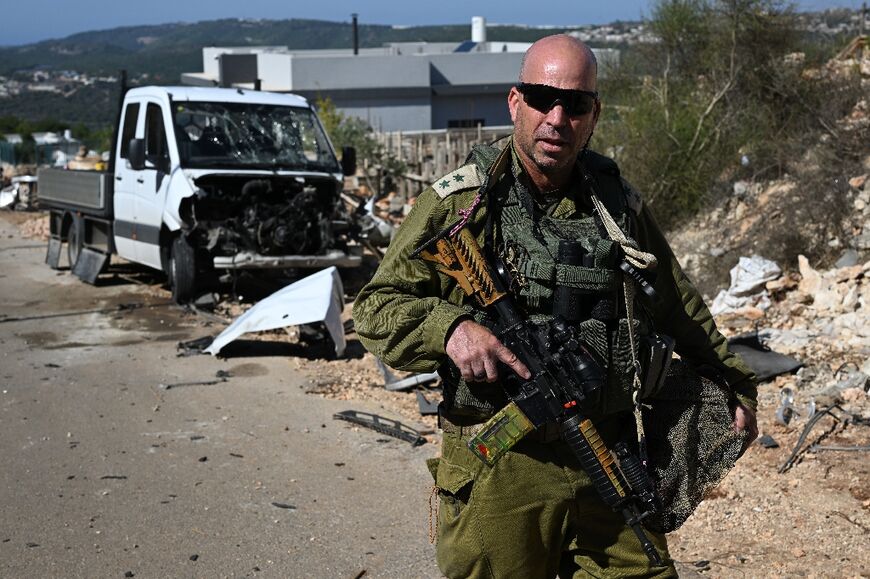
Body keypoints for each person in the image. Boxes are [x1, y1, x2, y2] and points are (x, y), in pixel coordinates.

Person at [353, 35, 758, 578]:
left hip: (607, 449)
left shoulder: (615, 202)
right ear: (515, 101)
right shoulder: (463, 202)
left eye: (576, 104)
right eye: (543, 98)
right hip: (503, 466)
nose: (557, 117)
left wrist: (731, 382)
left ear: (595, 114)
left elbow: (677, 303)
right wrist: (453, 329)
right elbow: (376, 306)